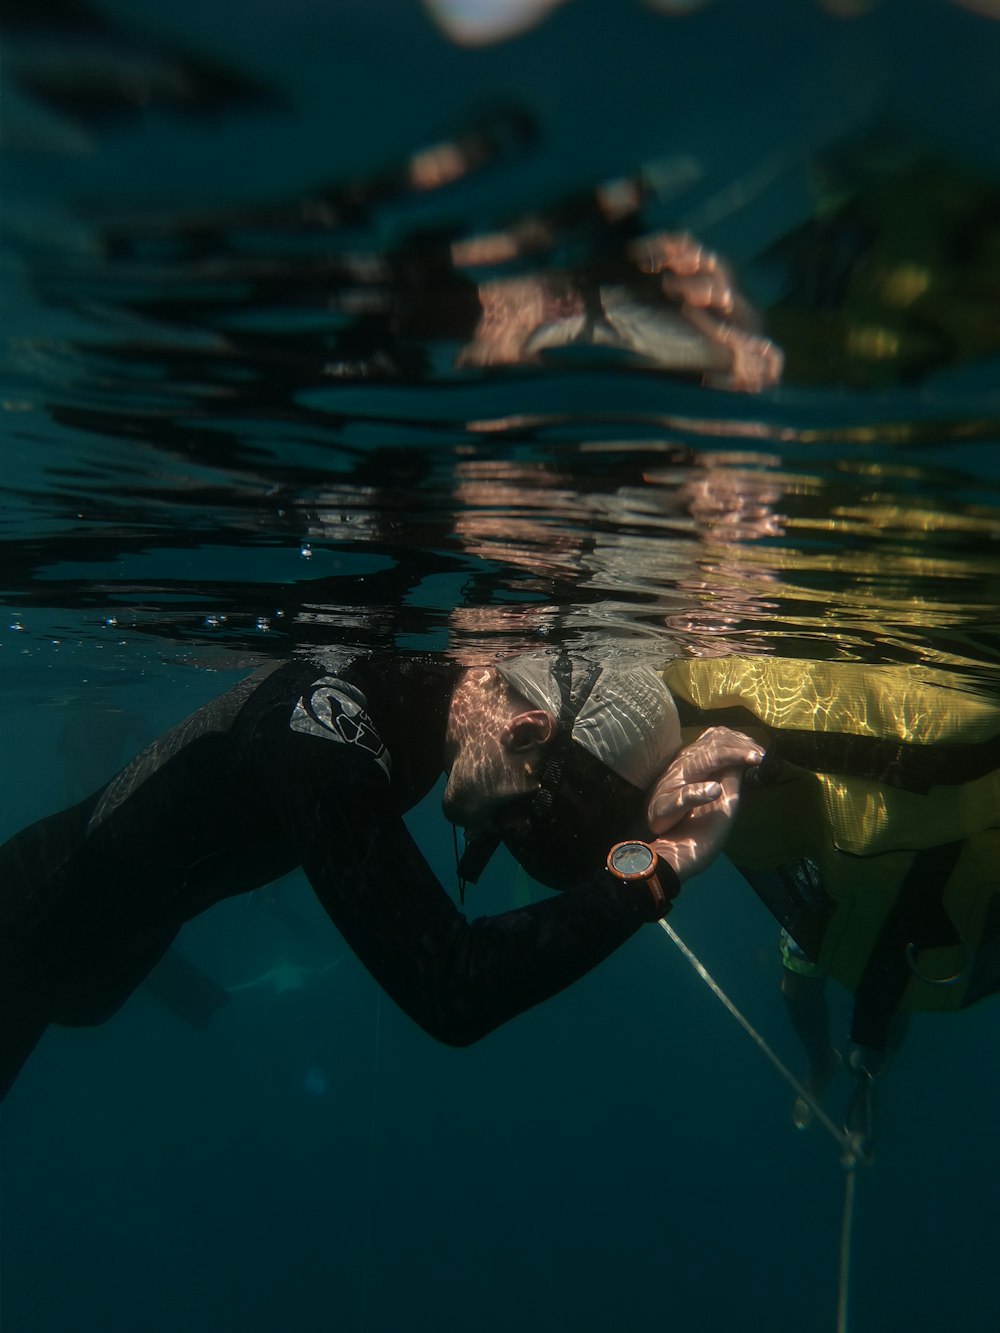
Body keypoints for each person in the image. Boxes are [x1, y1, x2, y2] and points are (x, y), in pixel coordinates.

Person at [0, 649, 763, 1100]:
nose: (491, 837)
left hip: (57, 961)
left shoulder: (405, 709)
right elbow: (451, 984)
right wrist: (656, 869)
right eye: (518, 822)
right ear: (527, 727)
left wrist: (649, 811)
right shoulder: (327, 727)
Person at [660, 652, 1000, 1162]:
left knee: (897, 972)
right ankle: (821, 1061)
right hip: (838, 849)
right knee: (798, 983)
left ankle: (867, 1073)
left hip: (922, 851)